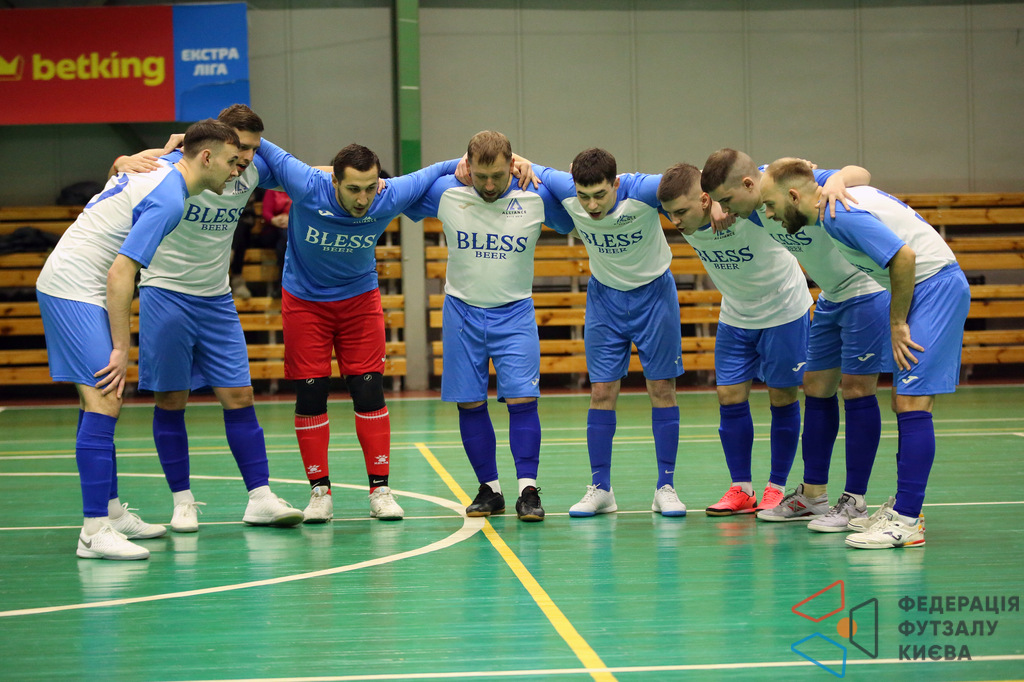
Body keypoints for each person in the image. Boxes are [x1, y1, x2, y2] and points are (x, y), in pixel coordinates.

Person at [35, 119, 241, 560]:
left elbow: (126, 167)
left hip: (76, 280)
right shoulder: (169, 199)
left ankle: (109, 511)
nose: (236, 170)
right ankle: (93, 532)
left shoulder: (162, 165)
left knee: (98, 399)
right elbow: (121, 274)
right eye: (230, 161)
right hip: (74, 286)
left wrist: (137, 154)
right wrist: (122, 348)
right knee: (105, 397)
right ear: (206, 157)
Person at [112, 104, 304, 533]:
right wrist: (122, 160)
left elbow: (310, 173)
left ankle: (260, 497)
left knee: (240, 396)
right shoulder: (173, 167)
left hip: (217, 299)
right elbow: (122, 173)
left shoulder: (252, 172)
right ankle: (182, 502)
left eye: (255, 148)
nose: (248, 157)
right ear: (217, 144)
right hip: (165, 293)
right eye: (241, 148)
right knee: (170, 401)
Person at [760, 159, 970, 548]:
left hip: (934, 286)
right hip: (922, 287)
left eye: (771, 205)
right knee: (903, 401)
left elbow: (904, 257)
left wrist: (897, 322)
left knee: (912, 402)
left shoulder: (837, 216)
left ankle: (907, 520)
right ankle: (903, 508)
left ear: (793, 196)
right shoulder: (828, 209)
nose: (768, 214)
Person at [254, 137, 465, 523]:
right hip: (305, 303)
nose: (363, 198)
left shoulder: (388, 195)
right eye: (353, 189)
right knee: (311, 392)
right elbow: (259, 144)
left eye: (370, 187)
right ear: (334, 181)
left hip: (359, 302)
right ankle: (320, 493)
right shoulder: (307, 184)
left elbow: (439, 168)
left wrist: (500, 162)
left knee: (369, 389)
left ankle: (380, 490)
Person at [701, 149, 890, 531]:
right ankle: (813, 496)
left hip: (864, 286)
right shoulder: (751, 200)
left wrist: (837, 179)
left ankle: (854, 501)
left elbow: (861, 172)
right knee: (816, 387)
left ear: (750, 185)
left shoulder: (784, 183)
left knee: (856, 389)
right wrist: (719, 204)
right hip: (831, 294)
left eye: (727, 200)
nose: (725, 208)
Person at [404, 130, 572, 522]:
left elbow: (570, 214)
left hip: (515, 312)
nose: (490, 185)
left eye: (497, 175)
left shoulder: (535, 193)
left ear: (512, 164)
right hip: (461, 313)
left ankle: (528, 491)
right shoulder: (447, 191)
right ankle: (490, 490)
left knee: (522, 399)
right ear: (468, 166)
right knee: (469, 401)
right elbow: (402, 191)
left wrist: (537, 168)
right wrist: (450, 166)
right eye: (481, 177)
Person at [531, 149, 689, 518]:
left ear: (616, 183)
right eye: (583, 196)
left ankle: (665, 487)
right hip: (605, 299)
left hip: (655, 297)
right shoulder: (565, 187)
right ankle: (601, 488)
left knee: (662, 388)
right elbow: (525, 167)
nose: (591, 205)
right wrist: (518, 162)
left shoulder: (644, 190)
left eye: (600, 195)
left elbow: (690, 180)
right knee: (601, 391)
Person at [657, 163, 812, 516]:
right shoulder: (683, 213)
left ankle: (776, 488)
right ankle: (742, 488)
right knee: (728, 396)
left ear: (705, 199)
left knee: (782, 397)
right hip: (736, 314)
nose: (675, 221)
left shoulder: (744, 207)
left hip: (784, 310)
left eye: (681, 212)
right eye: (670, 214)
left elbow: (758, 172)